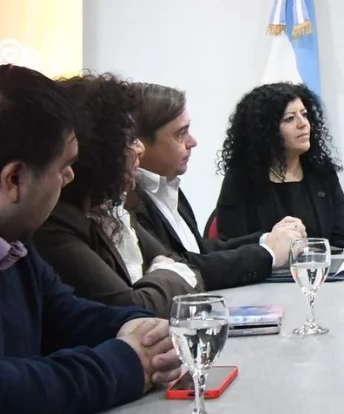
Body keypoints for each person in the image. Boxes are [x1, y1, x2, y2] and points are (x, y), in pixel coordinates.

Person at [0, 64, 180, 414]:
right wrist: (122, 364)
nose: (70, 178)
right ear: (14, 179)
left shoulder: (10, 235)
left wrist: (142, 330)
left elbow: (61, 314)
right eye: (64, 166)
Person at [34, 74, 201, 318]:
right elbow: (134, 308)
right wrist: (166, 272)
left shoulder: (111, 206)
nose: (140, 149)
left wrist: (160, 275)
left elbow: (188, 268)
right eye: (131, 139)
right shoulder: (57, 223)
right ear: (100, 151)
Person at [127, 83, 302, 288]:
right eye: (180, 134)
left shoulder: (168, 184)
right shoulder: (130, 201)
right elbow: (183, 267)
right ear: (141, 144)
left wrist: (267, 239)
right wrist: (269, 253)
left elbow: (200, 249)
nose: (192, 141)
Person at [214, 82, 344, 249]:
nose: (303, 124)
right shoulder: (241, 178)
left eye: (304, 115)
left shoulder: (321, 172)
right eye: (290, 118)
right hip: (265, 273)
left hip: (320, 272)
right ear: (266, 131)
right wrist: (269, 240)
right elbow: (228, 246)